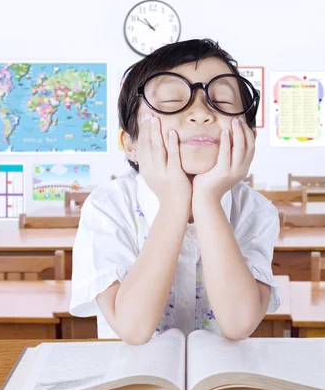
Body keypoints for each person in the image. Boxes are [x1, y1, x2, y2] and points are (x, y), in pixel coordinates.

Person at [70, 38, 281, 345]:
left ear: (249, 135)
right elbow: (132, 328)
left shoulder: (256, 211)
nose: (200, 114)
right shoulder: (107, 207)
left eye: (221, 102)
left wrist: (207, 200)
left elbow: (239, 323)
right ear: (131, 143)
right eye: (171, 102)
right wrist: (174, 202)